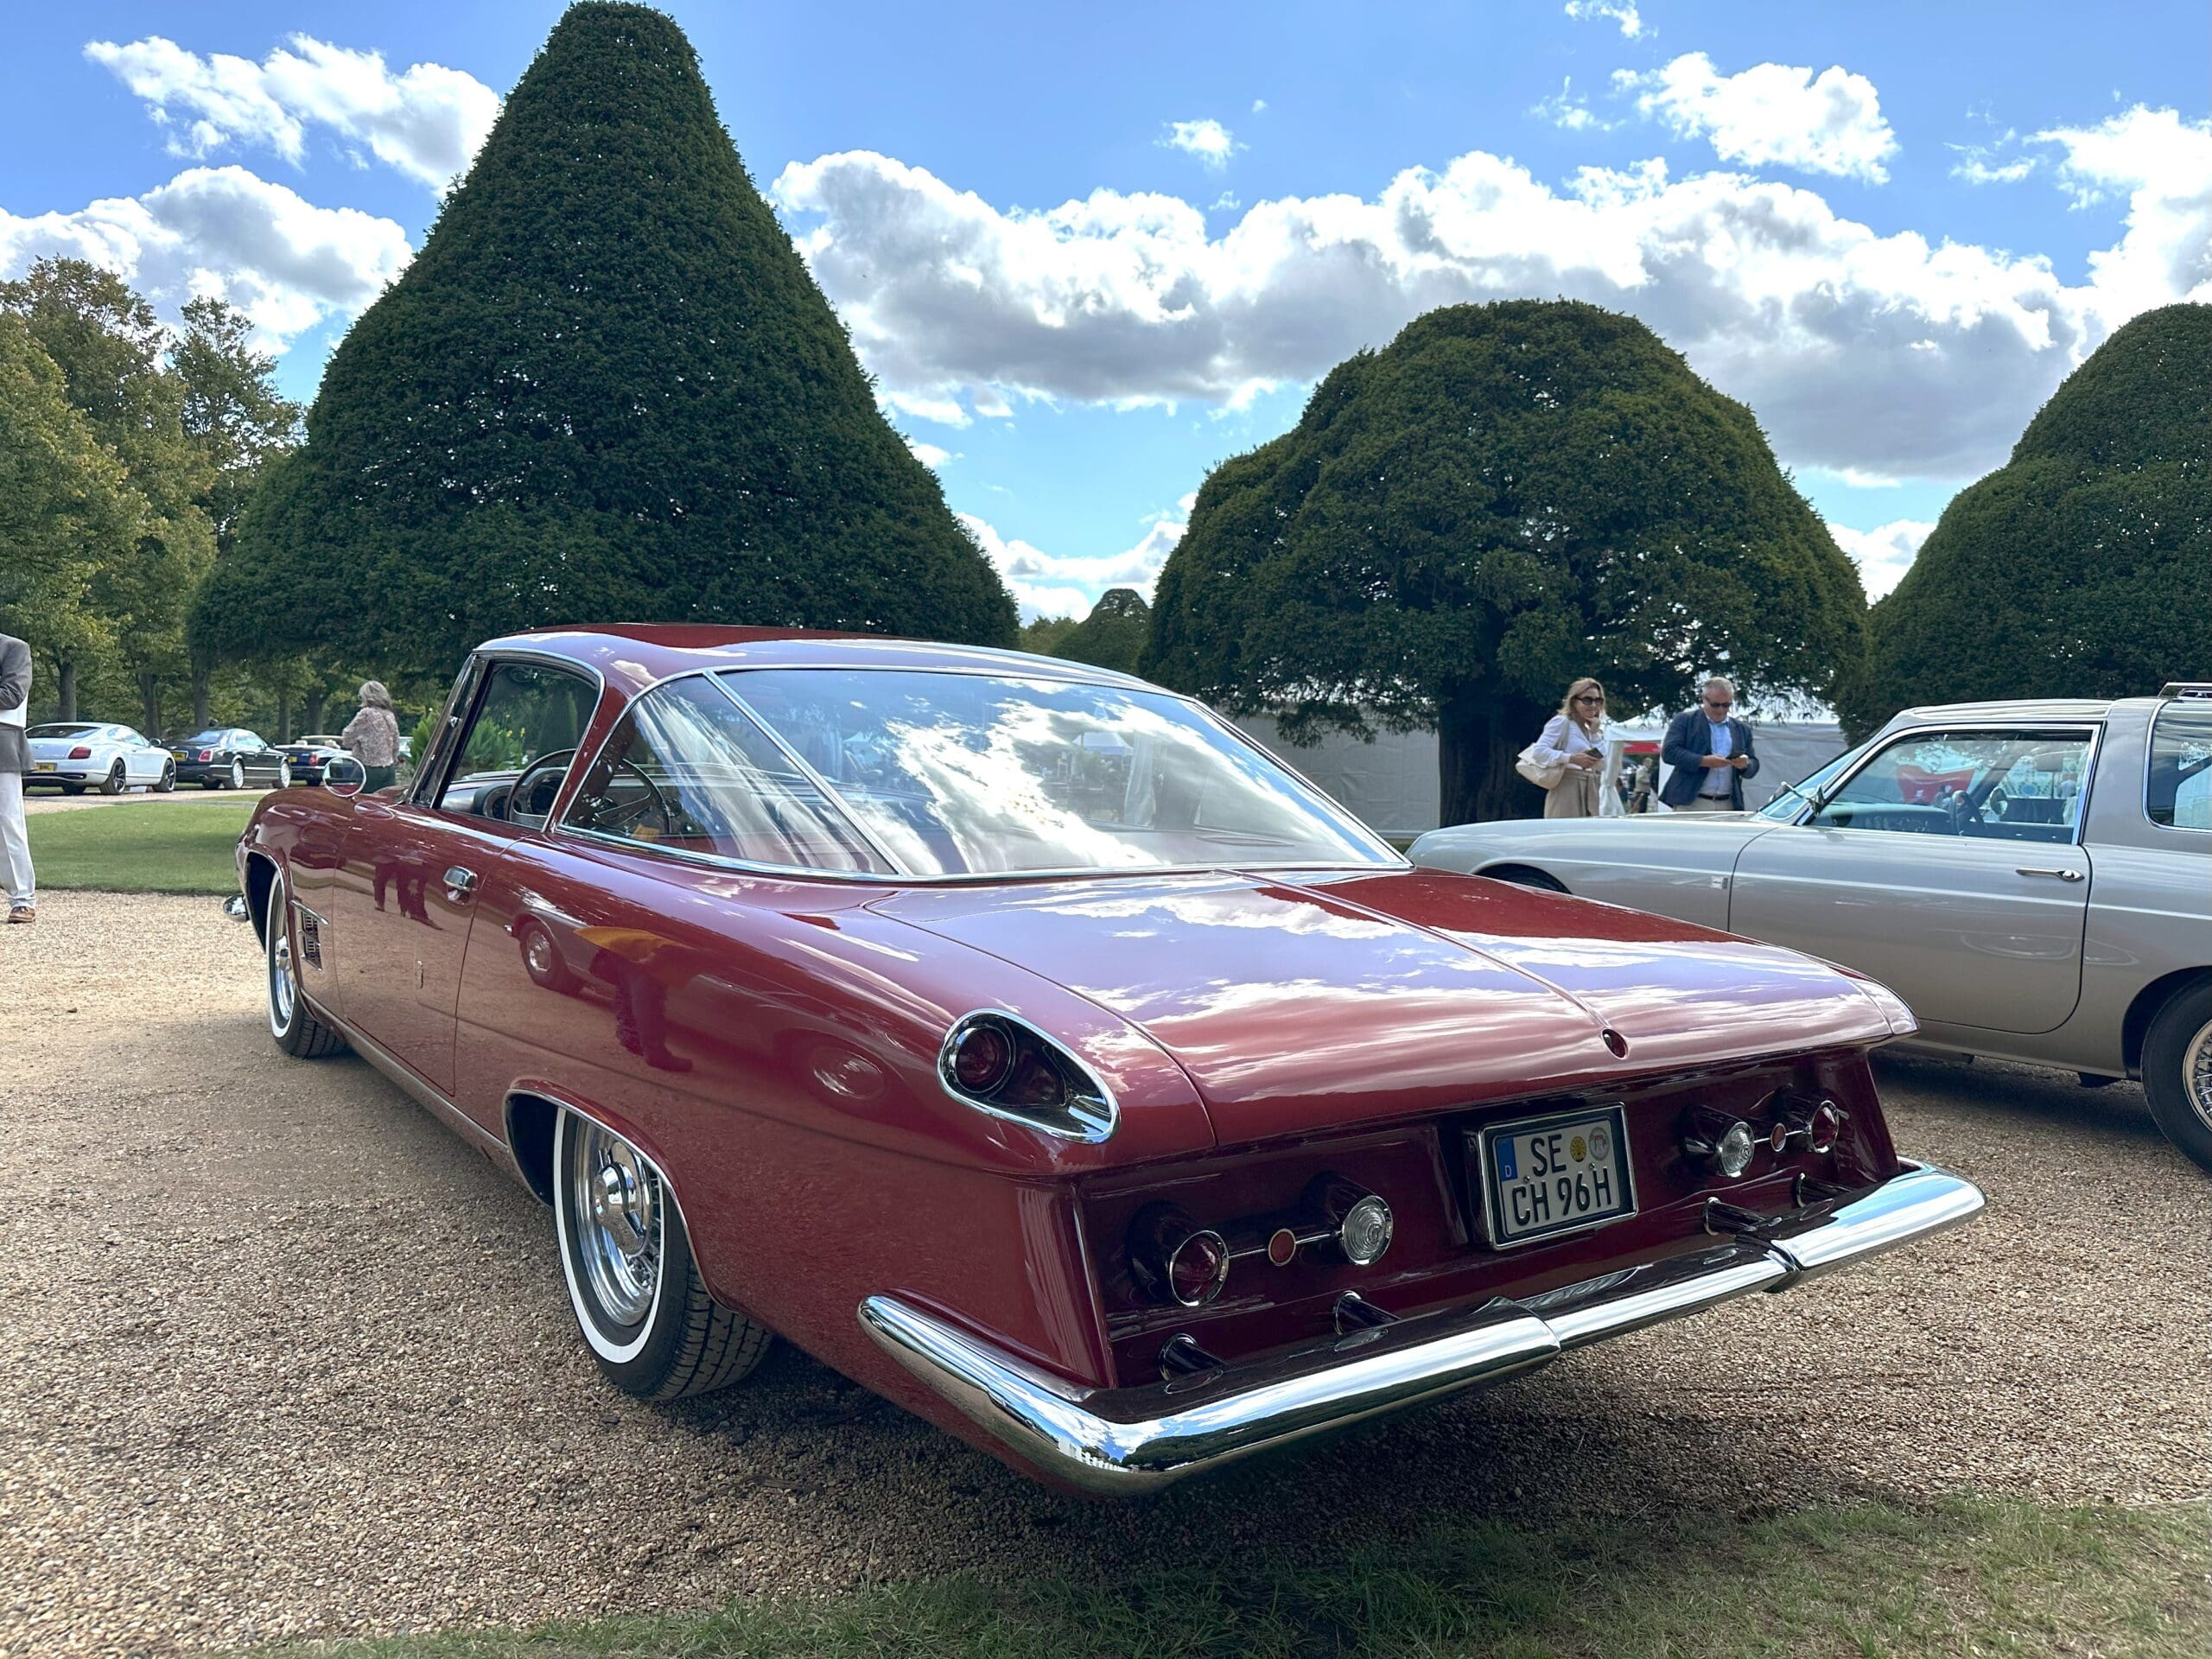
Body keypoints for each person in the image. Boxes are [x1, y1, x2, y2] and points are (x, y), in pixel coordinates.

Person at [1660, 677, 1760, 811]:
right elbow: (1669, 753)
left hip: (1728, 803)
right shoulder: (1685, 720)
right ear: (1703, 699)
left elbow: (1753, 764)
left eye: (1726, 705)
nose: (1721, 710)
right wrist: (1703, 761)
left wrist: (1745, 764)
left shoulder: (1741, 729)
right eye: (1715, 704)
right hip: (1693, 802)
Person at [1530, 677, 1609, 818]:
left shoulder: (1590, 729)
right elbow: (1539, 752)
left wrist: (1594, 733)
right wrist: (1571, 758)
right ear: (1574, 701)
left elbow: (1603, 764)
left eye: (1598, 700)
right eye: (1587, 700)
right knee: (1565, 836)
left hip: (1590, 788)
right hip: (1567, 787)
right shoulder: (1562, 722)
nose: (1593, 705)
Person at [0, 632, 32, 922]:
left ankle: (23, 898)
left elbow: (11, 695)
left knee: (9, 824)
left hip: (2, 744)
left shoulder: (13, 648)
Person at [341, 680, 402, 793]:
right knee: (385, 804)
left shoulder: (366, 714)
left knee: (360, 802)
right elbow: (396, 743)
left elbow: (347, 738)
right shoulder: (389, 715)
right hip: (389, 769)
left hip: (369, 768)